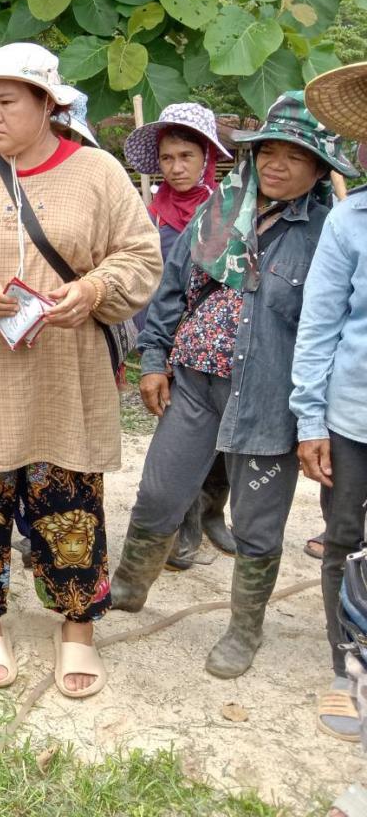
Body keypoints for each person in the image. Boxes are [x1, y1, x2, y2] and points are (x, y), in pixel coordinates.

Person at [0, 41, 161, 697]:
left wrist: (95, 291)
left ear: (48, 104)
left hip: (64, 375)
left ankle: (77, 625)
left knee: (70, 501)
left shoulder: (99, 174)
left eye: (7, 102)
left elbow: (140, 256)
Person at [112, 91, 356, 680]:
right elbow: (173, 287)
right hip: (196, 384)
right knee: (161, 489)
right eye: (266, 150)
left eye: (293, 156)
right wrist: (153, 358)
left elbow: (332, 329)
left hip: (271, 400)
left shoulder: (329, 230)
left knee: (258, 522)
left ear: (320, 169)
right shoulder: (221, 207)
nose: (275, 164)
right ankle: (128, 584)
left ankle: (245, 628)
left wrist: (315, 414)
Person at [124, 103, 238, 569]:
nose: (176, 167)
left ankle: (214, 513)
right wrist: (157, 350)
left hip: (218, 351)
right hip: (167, 342)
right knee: (178, 444)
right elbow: (153, 285)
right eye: (168, 158)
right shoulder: (151, 217)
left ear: (207, 157)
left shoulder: (231, 212)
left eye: (186, 156)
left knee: (224, 443)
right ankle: (183, 529)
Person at [293, 61, 367, 742]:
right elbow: (318, 325)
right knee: (344, 538)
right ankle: (348, 667)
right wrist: (310, 418)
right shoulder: (349, 220)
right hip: (353, 417)